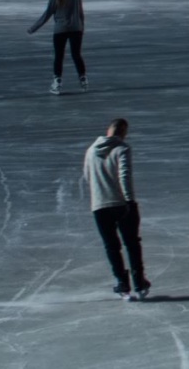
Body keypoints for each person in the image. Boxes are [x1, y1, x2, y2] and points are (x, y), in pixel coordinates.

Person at [84, 118, 151, 299]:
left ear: (108, 130)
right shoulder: (122, 149)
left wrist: (98, 193)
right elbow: (124, 175)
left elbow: (87, 176)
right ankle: (139, 283)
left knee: (112, 246)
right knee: (132, 244)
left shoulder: (91, 151)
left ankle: (122, 284)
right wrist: (129, 201)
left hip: (99, 205)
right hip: (121, 204)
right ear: (123, 133)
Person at [29, 0, 88, 92]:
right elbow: (80, 13)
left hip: (60, 30)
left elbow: (47, 15)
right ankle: (83, 79)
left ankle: (57, 82)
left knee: (59, 56)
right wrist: (81, 27)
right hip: (76, 29)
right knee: (76, 54)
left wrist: (33, 28)